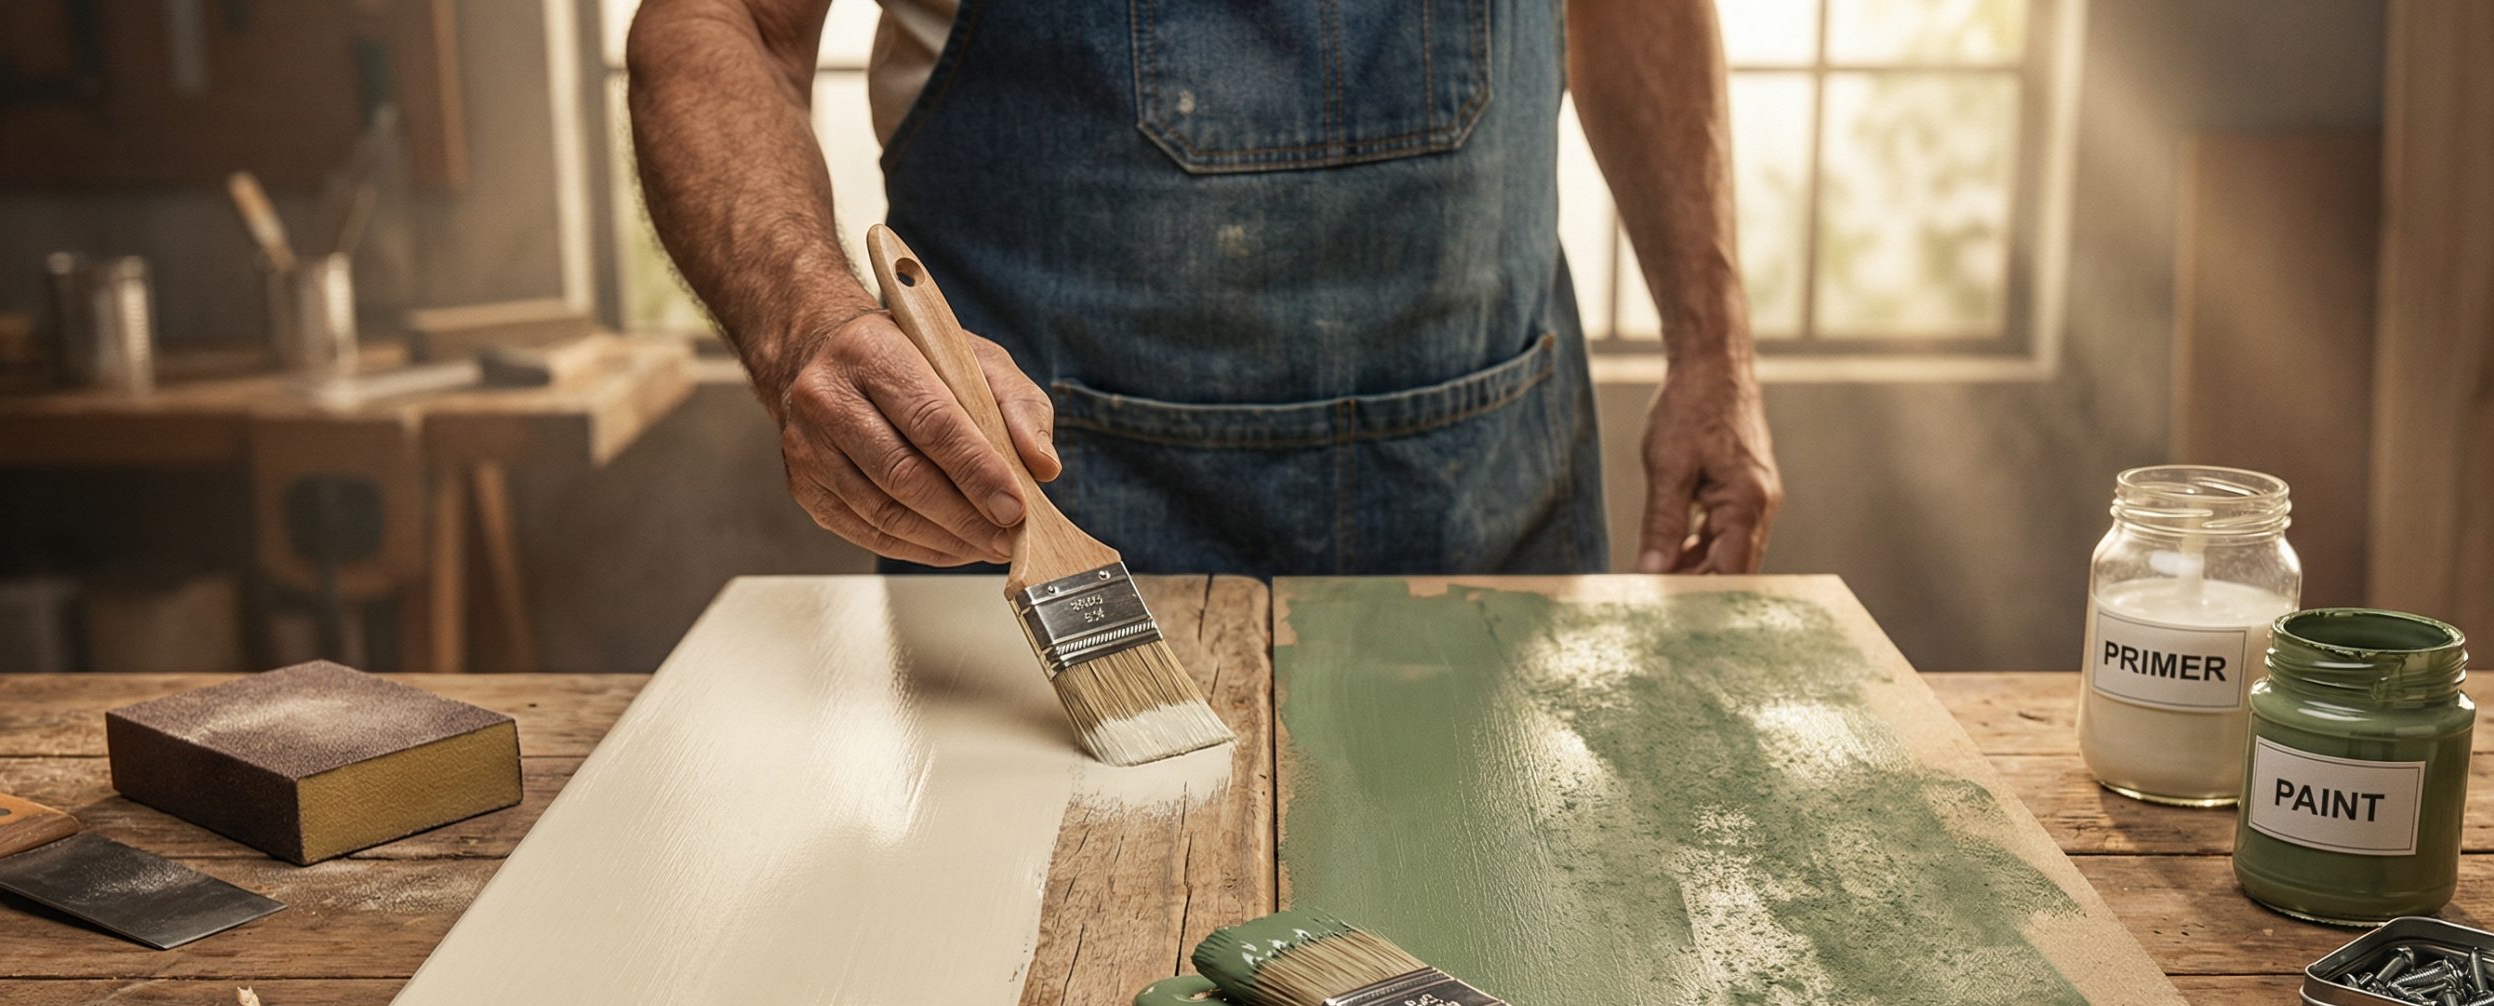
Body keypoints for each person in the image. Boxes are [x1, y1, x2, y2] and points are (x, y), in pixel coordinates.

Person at [628, 0, 1781, 577]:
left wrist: (1713, 349)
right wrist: (806, 326)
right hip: (1038, 541)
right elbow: (719, 21)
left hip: (1488, 521)